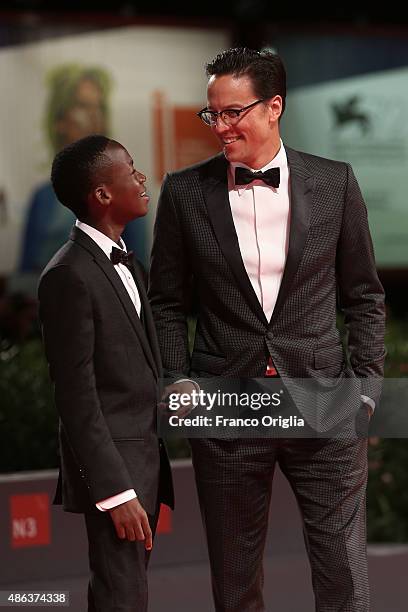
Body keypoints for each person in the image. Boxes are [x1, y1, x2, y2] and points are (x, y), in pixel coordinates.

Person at [149, 48, 385, 611]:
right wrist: (178, 378)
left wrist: (369, 387)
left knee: (344, 577)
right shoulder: (184, 193)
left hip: (325, 404)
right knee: (234, 584)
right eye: (212, 114)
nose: (220, 126)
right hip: (227, 410)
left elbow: (364, 295)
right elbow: (165, 302)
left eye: (234, 112)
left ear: (274, 107)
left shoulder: (334, 183)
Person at [38, 134, 173, 612]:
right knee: (123, 597)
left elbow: (135, 368)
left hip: (144, 458)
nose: (141, 177)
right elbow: (75, 396)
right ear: (101, 195)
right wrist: (114, 491)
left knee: (126, 594)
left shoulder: (128, 265)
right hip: (116, 474)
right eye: (131, 169)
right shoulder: (67, 274)